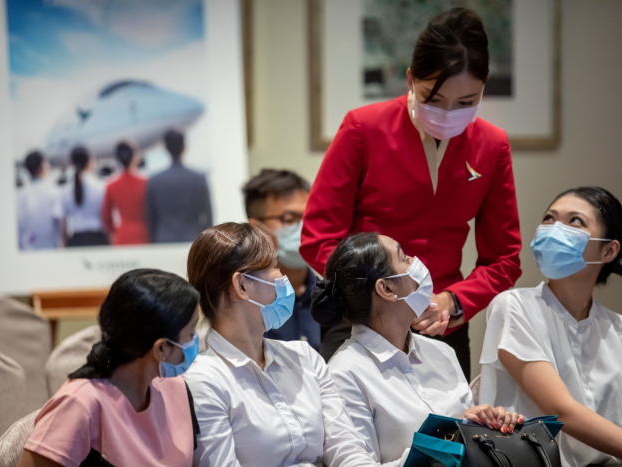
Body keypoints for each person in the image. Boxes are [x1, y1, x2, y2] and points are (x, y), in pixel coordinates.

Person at [300, 7, 522, 373]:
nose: (449, 113)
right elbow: (318, 238)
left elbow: (504, 259)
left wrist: (455, 301)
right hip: (359, 321)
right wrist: (374, 295)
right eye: (433, 99)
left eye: (466, 103)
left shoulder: (492, 145)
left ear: (483, 90)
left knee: (445, 430)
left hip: (440, 324)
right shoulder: (363, 129)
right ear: (410, 79)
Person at [479, 187, 622, 466]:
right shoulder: (513, 306)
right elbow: (563, 412)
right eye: (549, 218)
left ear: (609, 250)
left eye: (574, 221)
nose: (553, 229)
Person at [183, 222, 402, 466]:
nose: (283, 277)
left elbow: (346, 449)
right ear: (241, 285)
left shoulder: (303, 357)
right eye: (275, 266)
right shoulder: (203, 380)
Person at [314, 232, 524, 465]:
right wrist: (448, 442)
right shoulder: (345, 373)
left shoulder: (442, 352)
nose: (415, 261)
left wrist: (489, 427)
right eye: (404, 257)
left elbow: (469, 442)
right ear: (386, 289)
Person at [17, 269, 201, 467]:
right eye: (191, 334)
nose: (196, 339)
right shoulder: (78, 404)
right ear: (161, 348)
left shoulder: (177, 389)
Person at [243, 168, 320, 350]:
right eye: (289, 219)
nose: (303, 228)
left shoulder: (330, 298)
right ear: (257, 228)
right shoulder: (243, 305)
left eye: (309, 216)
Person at [146, 130, 212, 243]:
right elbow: (208, 214)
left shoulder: (154, 180)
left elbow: (151, 218)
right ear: (184, 147)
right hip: (193, 239)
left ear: (165, 148)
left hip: (164, 240)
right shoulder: (199, 178)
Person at [101, 142, 149, 245]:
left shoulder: (111, 184)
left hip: (122, 236)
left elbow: (107, 218)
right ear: (135, 157)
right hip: (144, 235)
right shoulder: (146, 182)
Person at [61, 147, 109, 247]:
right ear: (90, 162)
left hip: (75, 241)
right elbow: (107, 219)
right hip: (98, 240)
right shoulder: (101, 186)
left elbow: (63, 227)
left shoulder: (65, 190)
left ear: (71, 164)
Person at [16, 151, 62, 250]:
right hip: (50, 252)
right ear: (44, 166)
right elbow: (61, 228)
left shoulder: (19, 195)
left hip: (27, 253)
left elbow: (17, 230)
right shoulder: (54, 193)